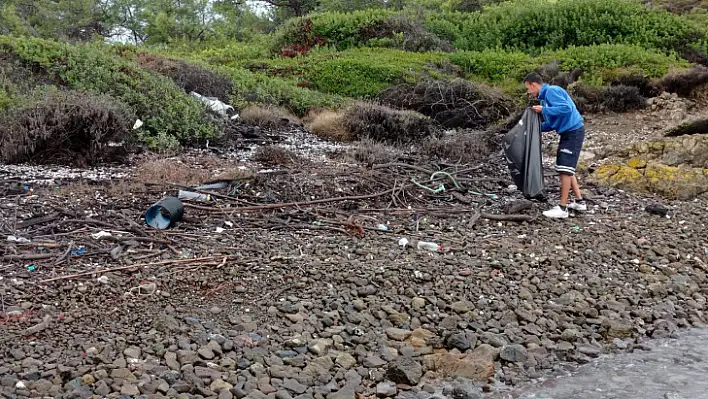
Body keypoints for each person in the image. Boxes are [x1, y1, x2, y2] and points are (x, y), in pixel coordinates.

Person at [523, 72, 587, 219]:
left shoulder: (552, 91)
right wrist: (534, 127)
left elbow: (566, 108)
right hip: (567, 132)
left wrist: (543, 110)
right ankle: (579, 202)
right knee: (568, 168)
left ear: (533, 84)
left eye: (528, 89)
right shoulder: (545, 100)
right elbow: (551, 124)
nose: (528, 92)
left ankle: (562, 208)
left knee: (564, 169)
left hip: (573, 131)